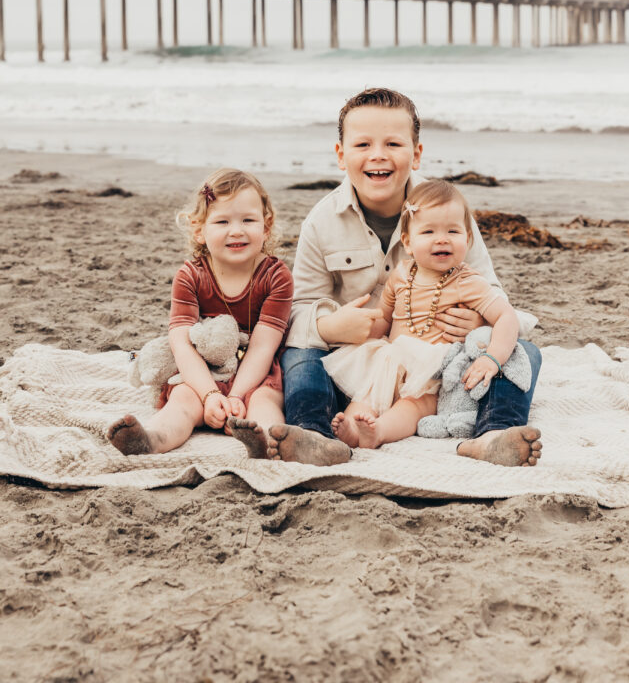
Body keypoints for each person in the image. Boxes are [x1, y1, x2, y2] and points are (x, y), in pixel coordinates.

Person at [266, 87, 543, 467]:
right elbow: (296, 312)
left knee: (523, 352)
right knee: (299, 355)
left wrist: (478, 319)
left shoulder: (447, 212)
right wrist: (332, 327)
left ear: (416, 154)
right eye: (362, 144)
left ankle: (494, 434)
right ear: (341, 154)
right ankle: (313, 434)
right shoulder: (322, 220)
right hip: (360, 364)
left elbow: (492, 291)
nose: (378, 155)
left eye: (393, 144)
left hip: (441, 367)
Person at [107, 168, 293, 459]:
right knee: (183, 399)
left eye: (248, 220)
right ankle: (152, 439)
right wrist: (209, 395)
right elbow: (181, 342)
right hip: (206, 367)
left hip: (258, 370)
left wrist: (234, 396)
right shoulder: (191, 275)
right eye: (222, 221)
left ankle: (264, 442)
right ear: (199, 229)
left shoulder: (276, 276)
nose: (237, 230)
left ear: (265, 226)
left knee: (266, 400)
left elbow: (263, 346)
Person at [323, 178, 522, 449]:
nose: (442, 239)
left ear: (468, 238)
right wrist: (362, 325)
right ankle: (351, 428)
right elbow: (384, 318)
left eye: (453, 231)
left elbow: (506, 316)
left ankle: (378, 432)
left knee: (413, 406)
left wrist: (492, 358)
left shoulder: (467, 282)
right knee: (367, 393)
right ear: (407, 241)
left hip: (432, 371)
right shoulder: (402, 274)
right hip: (391, 361)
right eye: (428, 232)